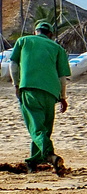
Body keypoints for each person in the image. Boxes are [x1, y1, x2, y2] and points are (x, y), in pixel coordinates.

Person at [9, 20, 71, 175]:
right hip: (51, 93)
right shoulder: (57, 48)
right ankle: (33, 162)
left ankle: (50, 156)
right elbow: (62, 77)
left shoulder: (23, 41)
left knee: (36, 129)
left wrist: (16, 84)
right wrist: (63, 97)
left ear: (35, 31)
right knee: (44, 130)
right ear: (50, 34)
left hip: (29, 88)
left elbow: (13, 65)